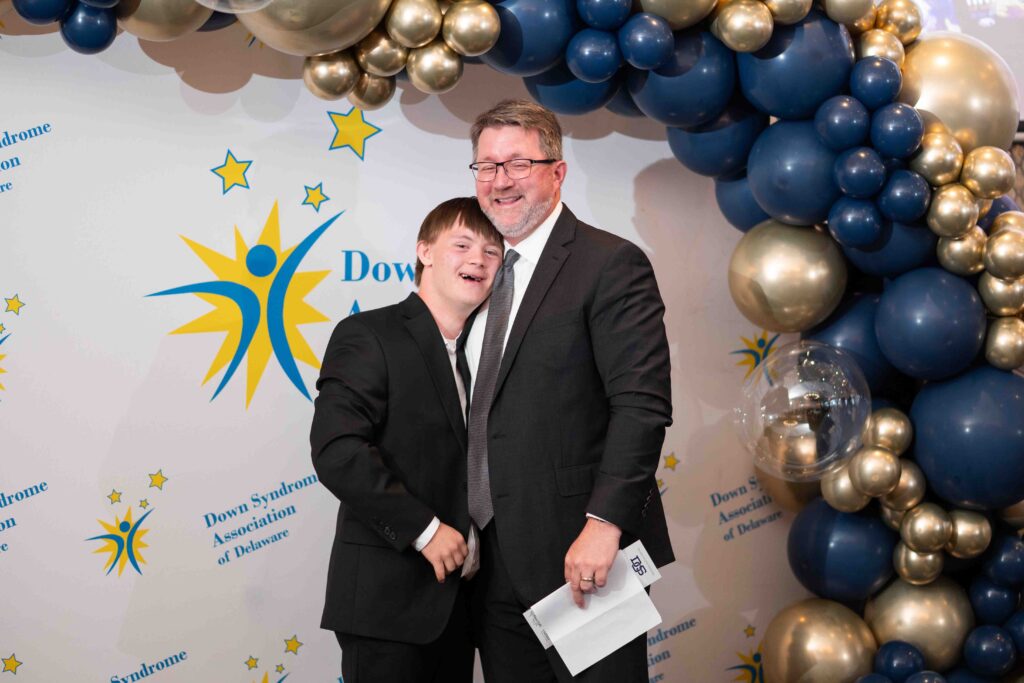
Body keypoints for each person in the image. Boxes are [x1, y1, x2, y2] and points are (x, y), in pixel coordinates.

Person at [463, 99, 675, 682]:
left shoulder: (609, 263)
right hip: (490, 561)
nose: (500, 181)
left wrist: (604, 525)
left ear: (556, 172)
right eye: (487, 166)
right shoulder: (476, 274)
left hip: (582, 554)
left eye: (518, 164)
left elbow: (641, 405)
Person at [309, 197, 503, 683]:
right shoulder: (369, 334)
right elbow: (338, 451)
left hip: (463, 609)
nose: (478, 260)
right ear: (425, 252)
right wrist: (426, 530)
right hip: (388, 606)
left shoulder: (489, 355)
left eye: (492, 251)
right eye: (462, 245)